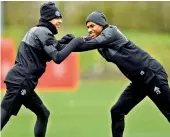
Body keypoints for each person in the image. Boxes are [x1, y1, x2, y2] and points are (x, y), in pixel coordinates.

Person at [73, 11, 170, 137]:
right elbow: (83, 42)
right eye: (87, 27)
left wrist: (72, 44)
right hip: (139, 82)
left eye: (92, 26)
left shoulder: (111, 32)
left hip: (152, 75)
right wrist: (59, 45)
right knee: (117, 111)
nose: (89, 30)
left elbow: (88, 44)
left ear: (102, 25)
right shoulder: (100, 43)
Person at [0, 2, 83, 137]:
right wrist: (76, 42)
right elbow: (57, 57)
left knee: (43, 113)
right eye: (57, 17)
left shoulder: (37, 31)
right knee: (3, 116)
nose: (60, 21)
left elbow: (48, 51)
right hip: (21, 81)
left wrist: (62, 41)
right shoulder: (43, 32)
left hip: (23, 81)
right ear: (48, 18)